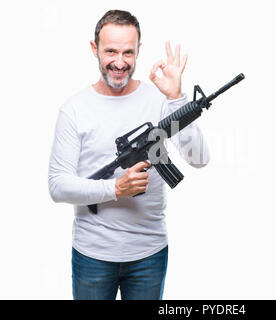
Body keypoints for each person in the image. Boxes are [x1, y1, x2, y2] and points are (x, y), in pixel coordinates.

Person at [48, 10, 210, 300]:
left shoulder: (159, 100)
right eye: (110, 51)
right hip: (92, 254)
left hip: (150, 253)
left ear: (138, 51)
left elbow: (199, 158)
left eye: (128, 52)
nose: (119, 62)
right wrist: (115, 188)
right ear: (94, 49)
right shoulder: (74, 109)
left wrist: (176, 98)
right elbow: (58, 186)